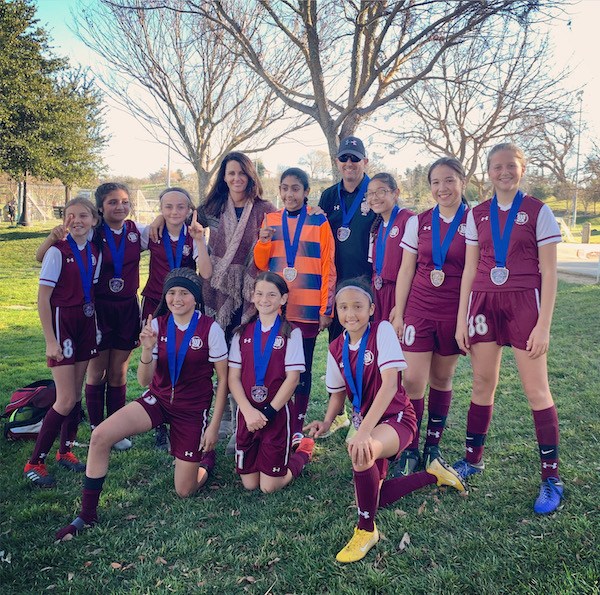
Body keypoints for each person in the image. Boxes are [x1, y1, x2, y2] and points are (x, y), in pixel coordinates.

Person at [55, 268, 228, 540]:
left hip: (192, 410)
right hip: (158, 399)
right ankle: (87, 515)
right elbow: (144, 380)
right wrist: (147, 348)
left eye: (184, 293)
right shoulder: (157, 325)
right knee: (100, 436)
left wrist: (213, 426)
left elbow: (223, 380)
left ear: (195, 298)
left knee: (185, 490)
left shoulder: (210, 328)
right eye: (171, 292)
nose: (177, 299)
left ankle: (206, 461)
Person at [305, 278, 465, 563]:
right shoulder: (336, 347)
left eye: (357, 306)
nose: (350, 313)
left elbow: (390, 385)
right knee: (369, 498)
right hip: (369, 424)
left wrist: (363, 432)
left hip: (397, 418)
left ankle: (366, 531)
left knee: (362, 451)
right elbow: (338, 394)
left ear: (371, 309)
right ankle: (434, 475)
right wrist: (327, 422)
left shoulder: (382, 331)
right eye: (343, 307)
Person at [452, 143, 564, 515]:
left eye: (511, 166)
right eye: (497, 166)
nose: (504, 172)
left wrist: (544, 326)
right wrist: (461, 318)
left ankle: (551, 477)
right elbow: (470, 270)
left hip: (523, 303)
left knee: (536, 390)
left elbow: (550, 273)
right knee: (482, 383)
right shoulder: (477, 214)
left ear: (522, 168)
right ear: (488, 172)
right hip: (484, 302)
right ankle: (472, 460)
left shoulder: (538, 211)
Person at [389, 158, 469, 477]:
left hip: (452, 312)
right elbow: (406, 269)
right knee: (412, 380)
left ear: (462, 182)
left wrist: (465, 318)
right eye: (435, 182)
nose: (442, 188)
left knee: (442, 379)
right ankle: (410, 447)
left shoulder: (473, 221)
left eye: (449, 180)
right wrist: (399, 312)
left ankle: (432, 447)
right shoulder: (419, 221)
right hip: (419, 310)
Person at [254, 167, 336, 444]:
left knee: (301, 369)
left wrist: (326, 308)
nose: (289, 194)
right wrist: (263, 243)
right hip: (276, 309)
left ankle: (297, 424)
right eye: (285, 188)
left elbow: (327, 265)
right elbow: (261, 264)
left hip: (307, 309)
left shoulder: (319, 221)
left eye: (295, 189)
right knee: (275, 366)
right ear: (279, 190)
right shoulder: (270, 219)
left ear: (306, 192)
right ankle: (276, 417)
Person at [24, 197, 101, 488]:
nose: (77, 220)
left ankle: (65, 451)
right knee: (65, 399)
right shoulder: (57, 252)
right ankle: (34, 462)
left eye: (83, 215)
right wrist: (50, 340)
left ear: (94, 220)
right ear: (64, 220)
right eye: (71, 216)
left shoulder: (93, 251)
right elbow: (43, 299)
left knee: (75, 396)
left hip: (85, 323)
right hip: (63, 324)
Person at [228, 271, 315, 493]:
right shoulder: (241, 333)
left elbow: (293, 379)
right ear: (252, 296)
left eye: (272, 294)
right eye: (259, 293)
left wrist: (267, 413)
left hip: (276, 414)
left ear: (283, 299)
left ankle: (302, 453)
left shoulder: (291, 333)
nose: (264, 299)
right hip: (248, 415)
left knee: (269, 487)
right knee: (250, 485)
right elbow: (233, 378)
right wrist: (248, 411)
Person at [143, 187, 211, 450]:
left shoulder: (193, 236)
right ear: (160, 209)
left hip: (184, 306)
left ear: (190, 210)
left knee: (183, 357)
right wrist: (157, 220)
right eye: (168, 207)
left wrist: (200, 241)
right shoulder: (151, 232)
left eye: (180, 207)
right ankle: (159, 421)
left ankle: (181, 413)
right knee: (155, 358)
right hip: (156, 304)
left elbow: (206, 272)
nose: (174, 212)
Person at [318, 136, 375, 437]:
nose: (349, 164)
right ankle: (339, 412)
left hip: (368, 287)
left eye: (355, 158)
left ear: (365, 161)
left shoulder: (374, 192)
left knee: (368, 350)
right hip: (337, 289)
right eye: (344, 158)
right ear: (337, 162)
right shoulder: (328, 196)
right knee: (339, 349)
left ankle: (367, 411)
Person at [366, 173, 414, 322]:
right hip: (378, 293)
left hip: (399, 293)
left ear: (395, 193)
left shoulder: (408, 219)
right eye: (370, 193)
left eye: (381, 191)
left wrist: (400, 305)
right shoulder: (376, 226)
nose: (374, 197)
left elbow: (413, 268)